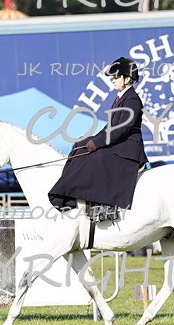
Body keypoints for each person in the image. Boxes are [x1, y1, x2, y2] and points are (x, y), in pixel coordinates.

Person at [49, 57, 149, 221]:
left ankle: (105, 206)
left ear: (127, 78)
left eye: (116, 76)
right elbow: (109, 126)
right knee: (79, 146)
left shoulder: (132, 100)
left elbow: (121, 129)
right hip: (119, 142)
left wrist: (97, 143)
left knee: (99, 156)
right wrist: (92, 139)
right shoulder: (119, 98)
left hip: (128, 148)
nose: (113, 80)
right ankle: (67, 196)